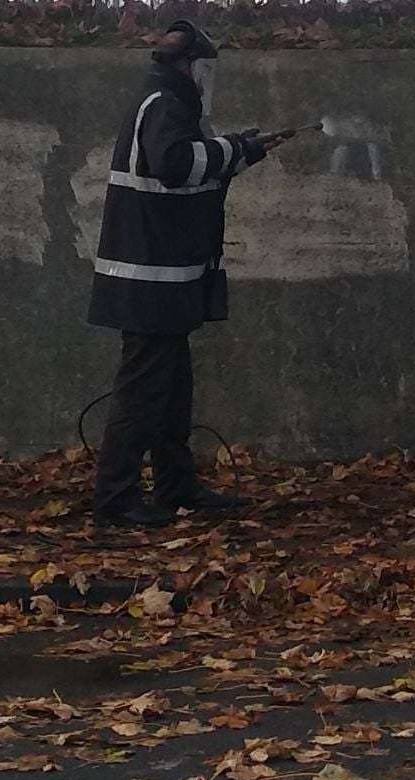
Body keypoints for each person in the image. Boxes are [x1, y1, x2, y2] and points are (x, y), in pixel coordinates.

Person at [87, 20, 282, 528]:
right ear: (187, 64)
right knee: (142, 391)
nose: (206, 78)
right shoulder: (165, 103)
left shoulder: (166, 101)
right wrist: (234, 150)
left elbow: (190, 170)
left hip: (163, 277)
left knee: (172, 392)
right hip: (149, 278)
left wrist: (240, 152)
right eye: (203, 68)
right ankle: (115, 497)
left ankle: (177, 486)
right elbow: (173, 164)